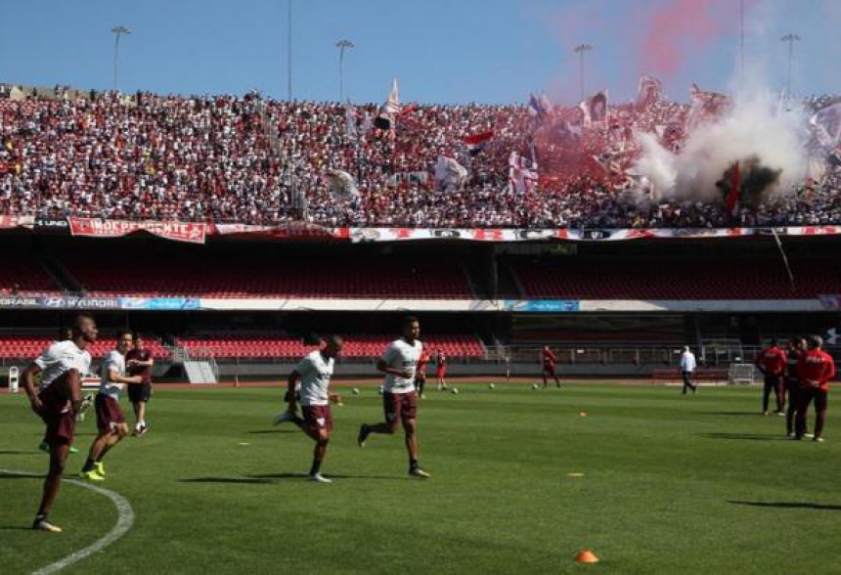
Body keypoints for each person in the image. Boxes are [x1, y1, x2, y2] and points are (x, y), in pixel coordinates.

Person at [20, 314, 96, 533]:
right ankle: (77, 404)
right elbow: (27, 374)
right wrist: (34, 399)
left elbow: (77, 383)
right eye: (93, 327)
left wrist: (74, 408)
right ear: (82, 329)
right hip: (49, 398)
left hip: (64, 412)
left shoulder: (87, 357)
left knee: (59, 466)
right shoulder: (61, 348)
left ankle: (41, 518)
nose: (97, 332)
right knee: (71, 373)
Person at [357, 316, 431, 478]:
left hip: (409, 391)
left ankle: (413, 466)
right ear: (404, 329)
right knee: (392, 429)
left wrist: (418, 372)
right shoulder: (396, 346)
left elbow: (414, 364)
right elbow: (380, 365)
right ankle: (367, 428)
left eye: (418, 327)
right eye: (412, 328)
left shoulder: (419, 345)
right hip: (393, 391)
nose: (416, 330)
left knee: (411, 427)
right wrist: (399, 373)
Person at [80, 330, 144, 481]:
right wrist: (133, 380)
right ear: (117, 341)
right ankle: (87, 469)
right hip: (106, 398)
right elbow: (111, 376)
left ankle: (97, 461)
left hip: (111, 399)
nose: (126, 343)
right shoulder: (115, 355)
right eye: (123, 340)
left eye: (129, 340)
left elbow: (106, 371)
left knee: (122, 430)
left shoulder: (119, 357)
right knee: (104, 434)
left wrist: (126, 366)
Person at [283, 336, 344, 483]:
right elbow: (292, 377)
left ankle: (314, 473)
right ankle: (294, 418)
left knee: (324, 440)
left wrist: (331, 394)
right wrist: (292, 402)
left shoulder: (331, 360)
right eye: (336, 350)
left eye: (340, 350)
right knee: (322, 437)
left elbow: (323, 381)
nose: (338, 353)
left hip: (324, 402)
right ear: (328, 346)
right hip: (310, 401)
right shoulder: (312, 358)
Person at [794, 335, 836, 442]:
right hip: (821, 387)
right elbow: (831, 373)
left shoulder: (804, 355)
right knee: (820, 412)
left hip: (805, 386)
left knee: (801, 411)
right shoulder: (827, 356)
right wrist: (819, 382)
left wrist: (808, 381)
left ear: (811, 344)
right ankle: (817, 436)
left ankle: (798, 435)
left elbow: (798, 370)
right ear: (820, 344)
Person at [125, 333, 155, 436]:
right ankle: (143, 425)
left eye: (138, 341)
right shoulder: (130, 353)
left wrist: (138, 363)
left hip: (144, 381)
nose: (136, 343)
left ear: (142, 342)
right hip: (133, 381)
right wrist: (129, 365)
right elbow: (127, 368)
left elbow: (150, 363)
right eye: (135, 342)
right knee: (134, 404)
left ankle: (137, 426)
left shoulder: (147, 351)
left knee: (141, 403)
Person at [755, 339, 787, 415]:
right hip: (777, 374)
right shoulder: (779, 352)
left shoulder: (765, 351)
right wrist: (782, 372)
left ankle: (765, 410)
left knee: (766, 393)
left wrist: (762, 370)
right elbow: (785, 363)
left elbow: (756, 361)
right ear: (777, 344)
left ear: (770, 344)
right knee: (779, 393)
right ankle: (780, 410)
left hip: (768, 374)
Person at [784, 336, 808, 437]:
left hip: (798, 382)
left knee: (801, 407)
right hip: (795, 383)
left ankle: (802, 429)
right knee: (793, 407)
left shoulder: (796, 354)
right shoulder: (796, 354)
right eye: (803, 343)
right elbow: (796, 370)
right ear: (798, 344)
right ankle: (791, 430)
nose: (805, 345)